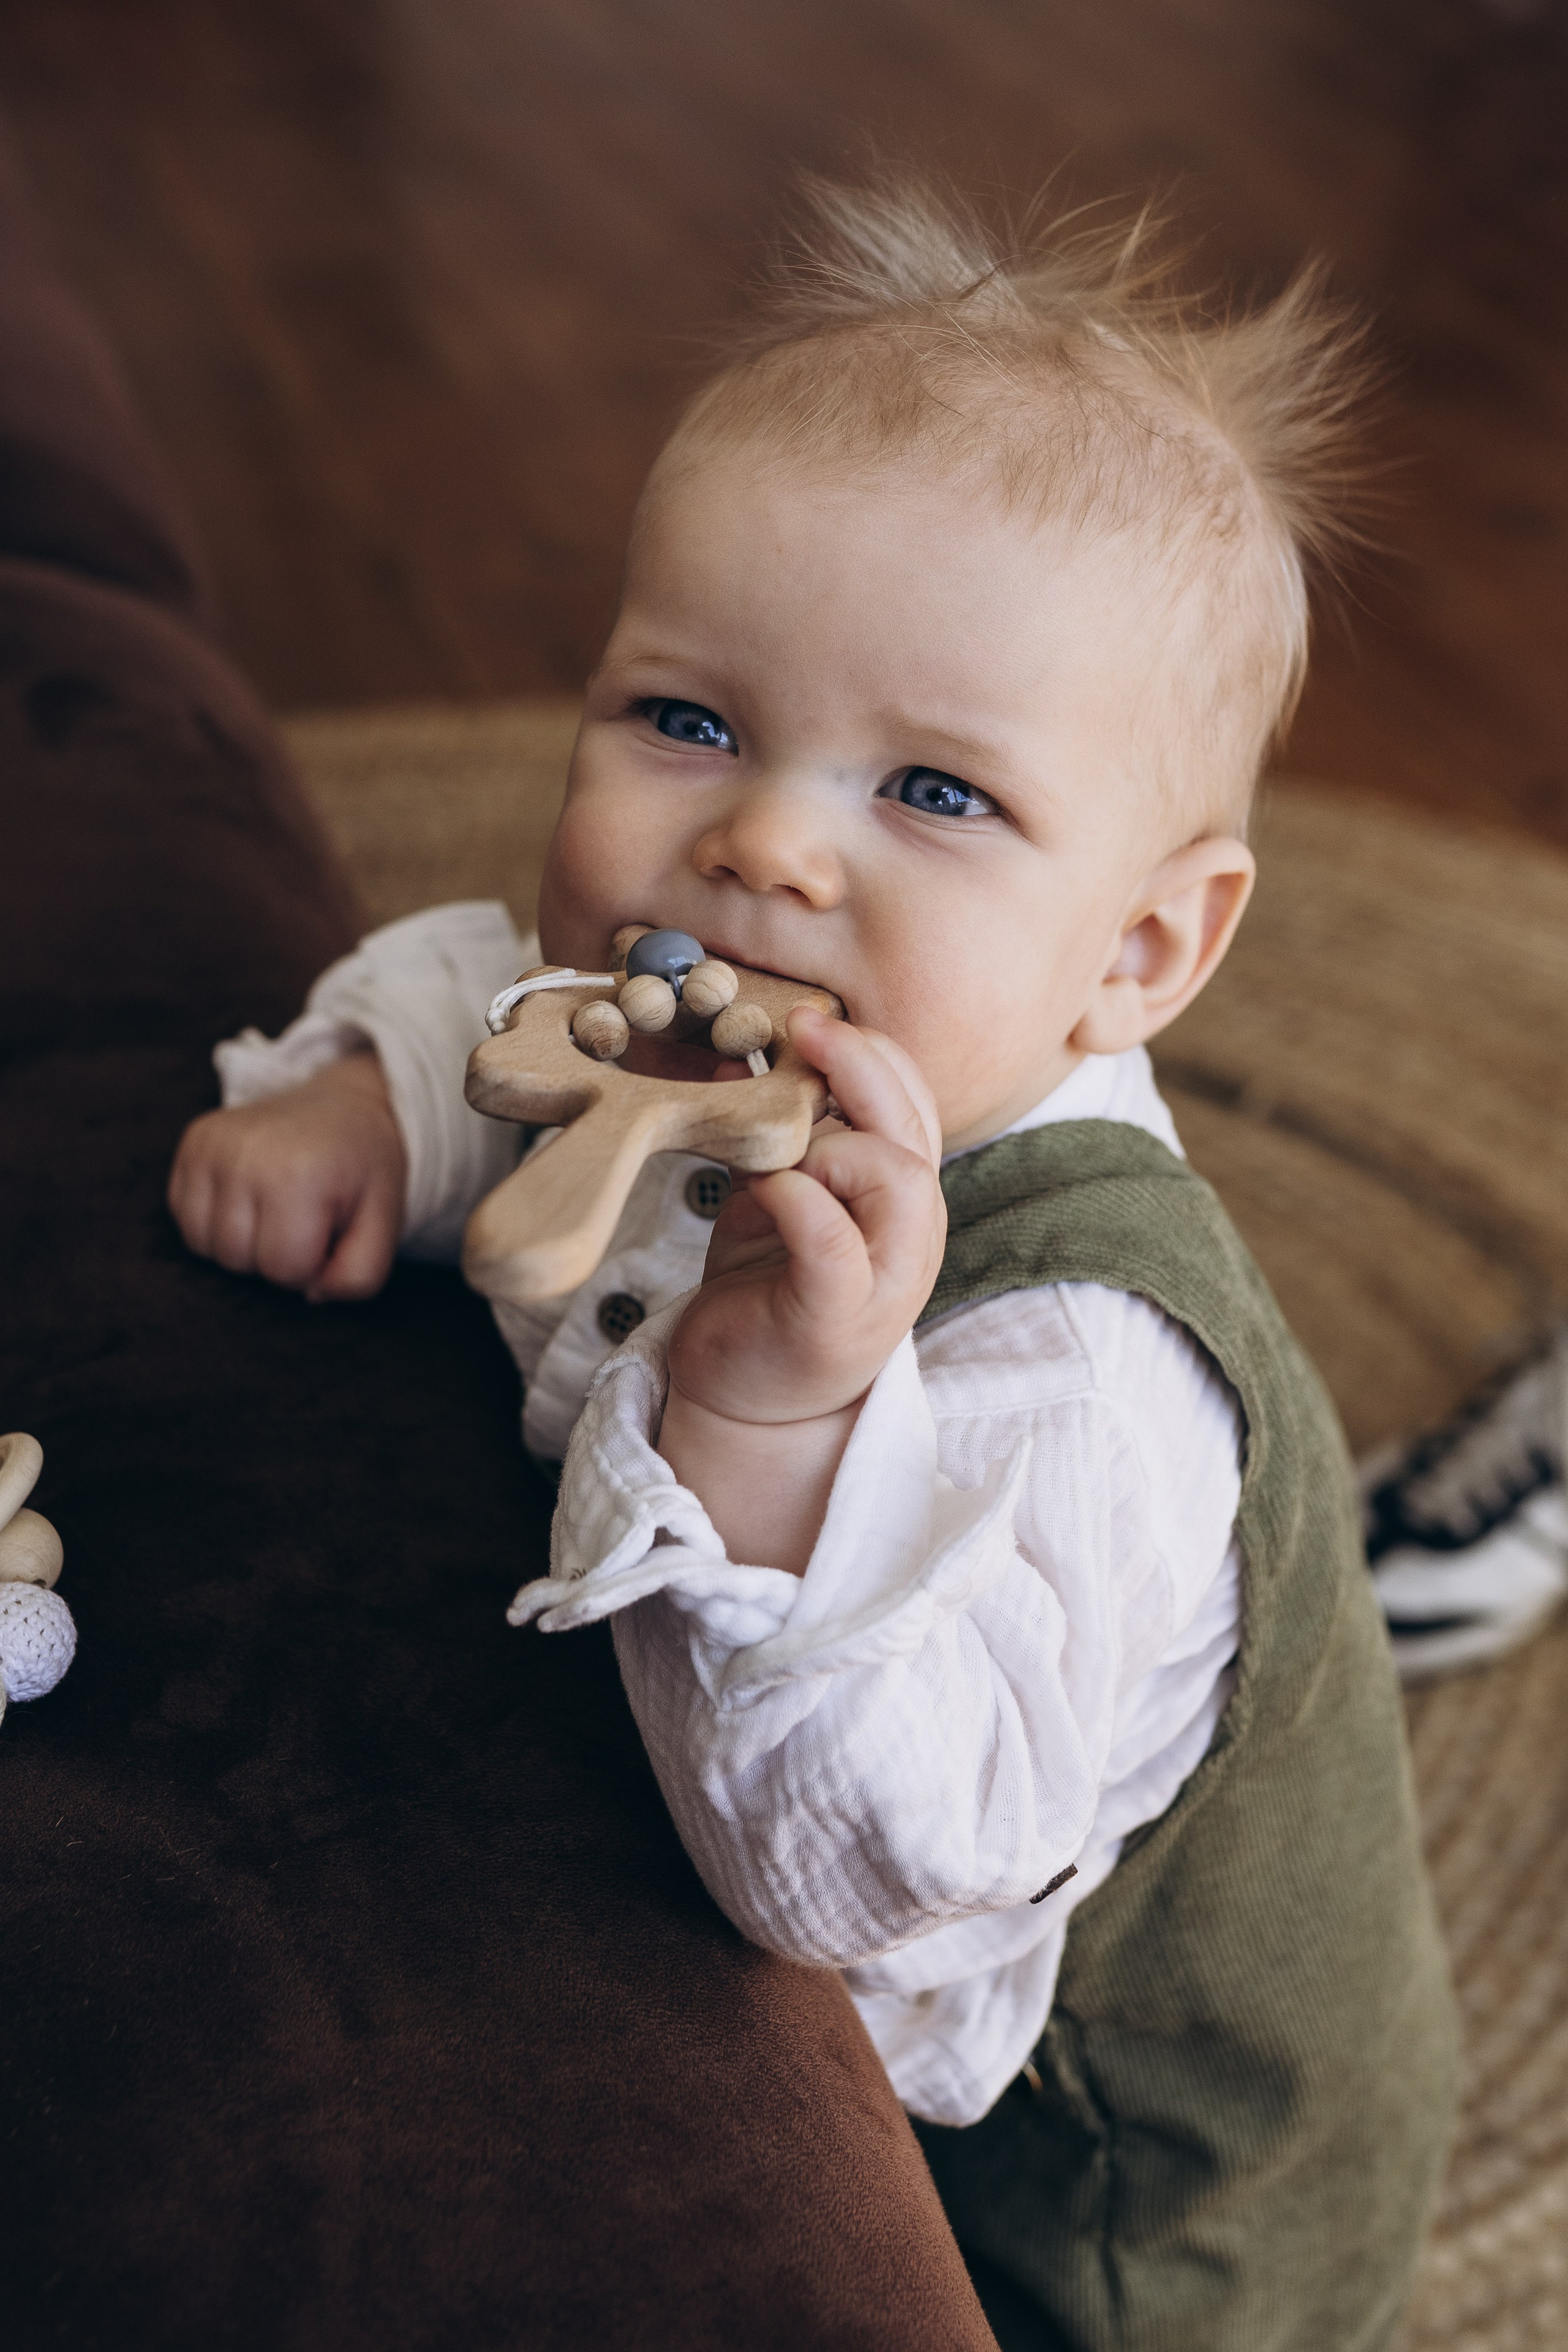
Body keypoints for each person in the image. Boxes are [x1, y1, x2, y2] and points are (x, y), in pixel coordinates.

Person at [169, 178, 1460, 2348]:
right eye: (686, 721)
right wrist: (364, 1101)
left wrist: (777, 1420)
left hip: (1052, 2181)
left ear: (1139, 950)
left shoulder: (1077, 1359)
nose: (763, 840)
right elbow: (493, 986)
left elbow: (848, 1895)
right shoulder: (652, 1003)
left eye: (935, 793)